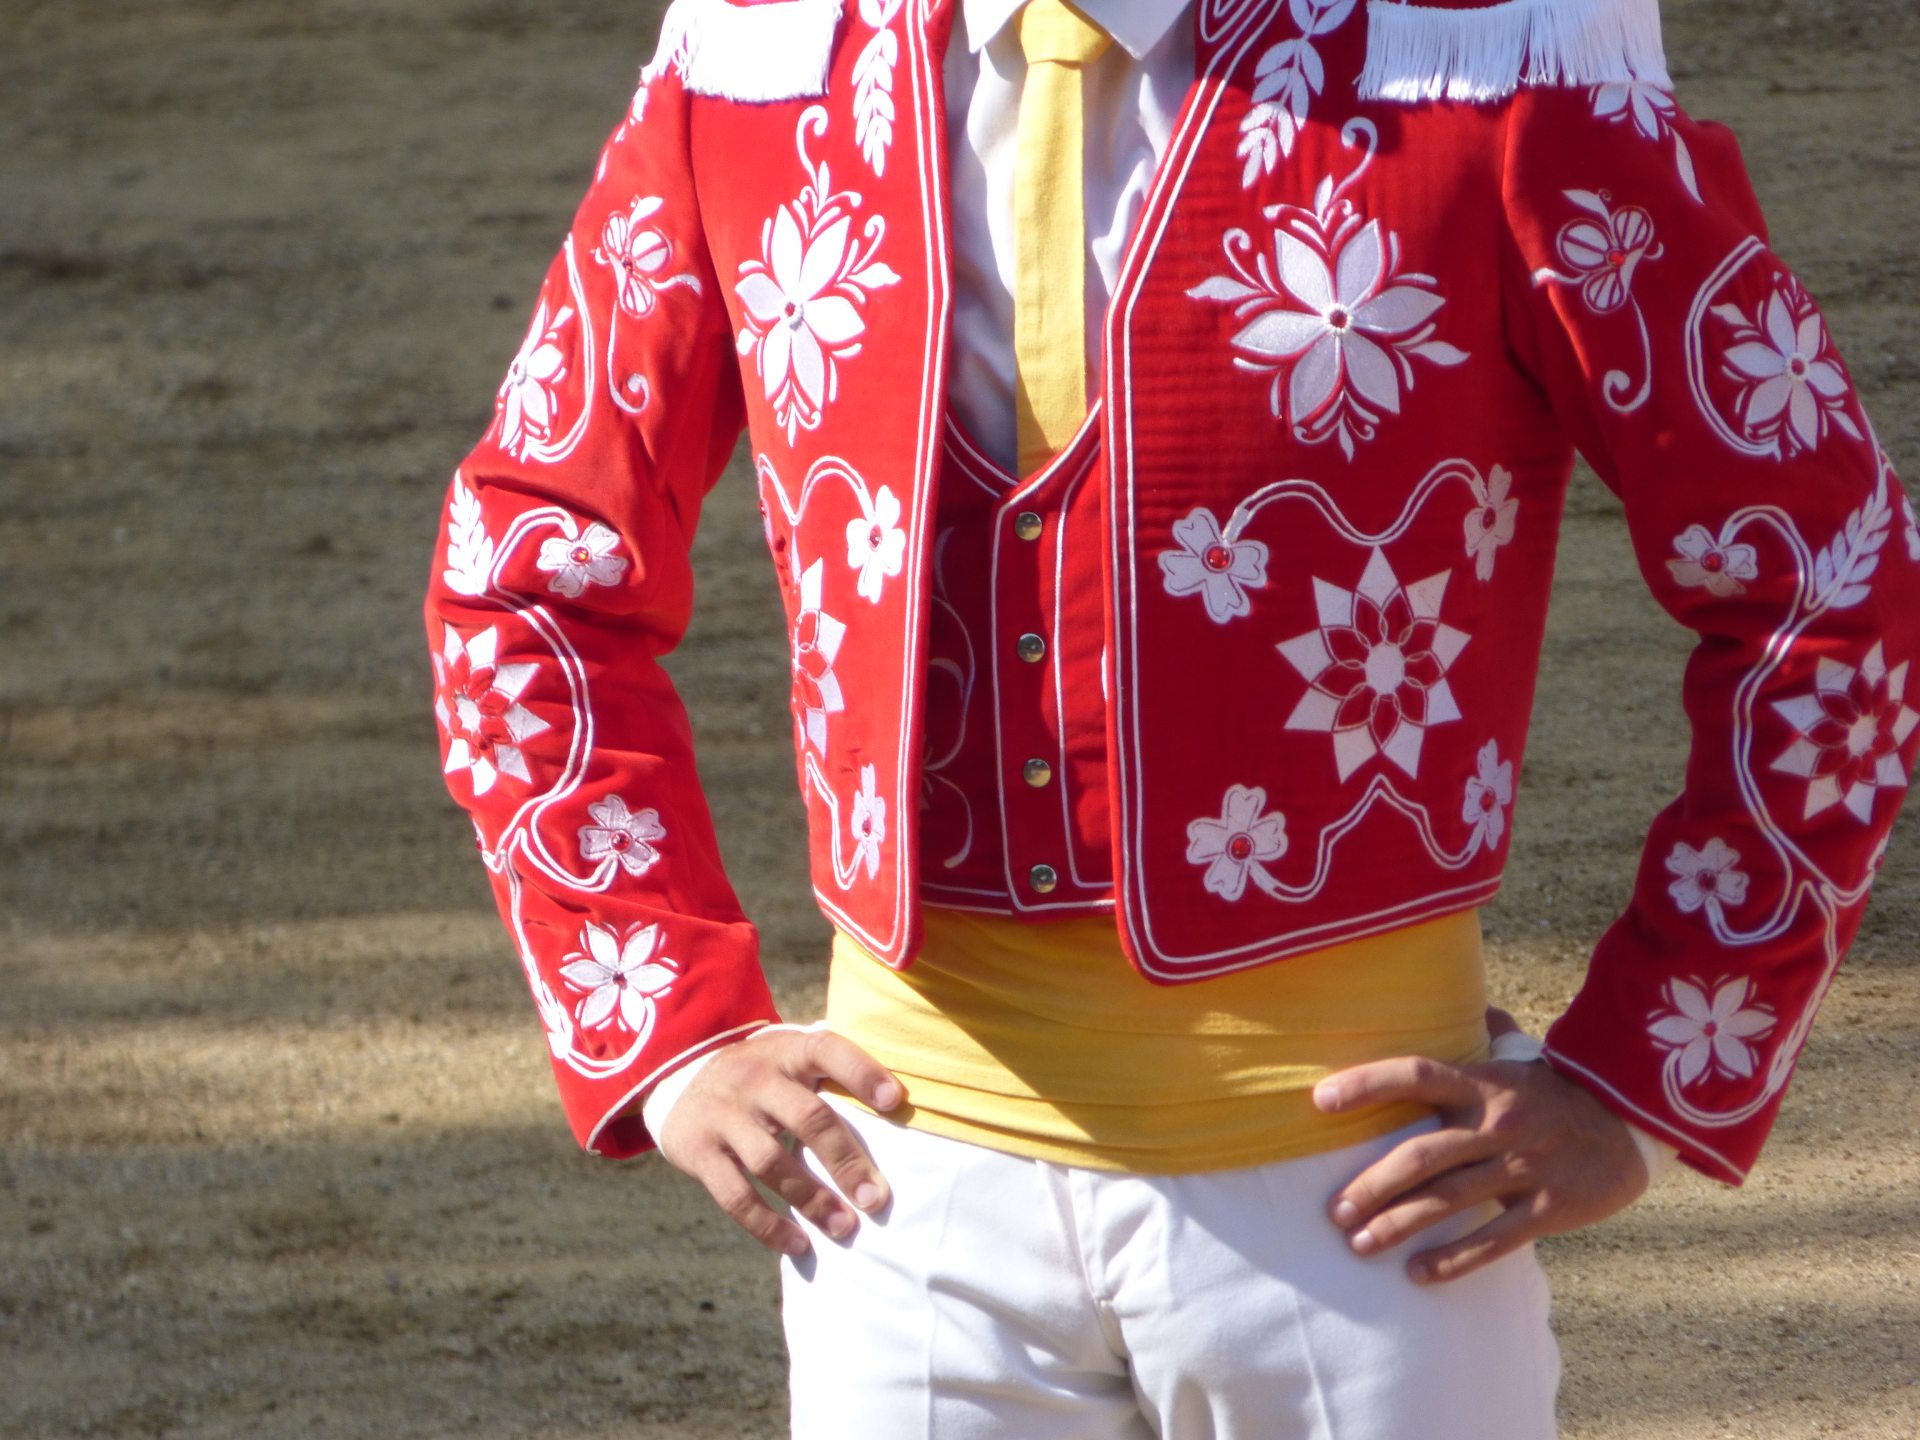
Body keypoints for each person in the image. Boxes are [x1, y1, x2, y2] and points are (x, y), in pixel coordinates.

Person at [425, 0, 1919, 1431]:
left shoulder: (1483, 58)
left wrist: (1640, 1072)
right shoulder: (756, 65)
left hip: (1359, 1205)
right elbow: (523, 573)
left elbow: (1833, 577)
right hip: (903, 1206)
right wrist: (672, 1029)